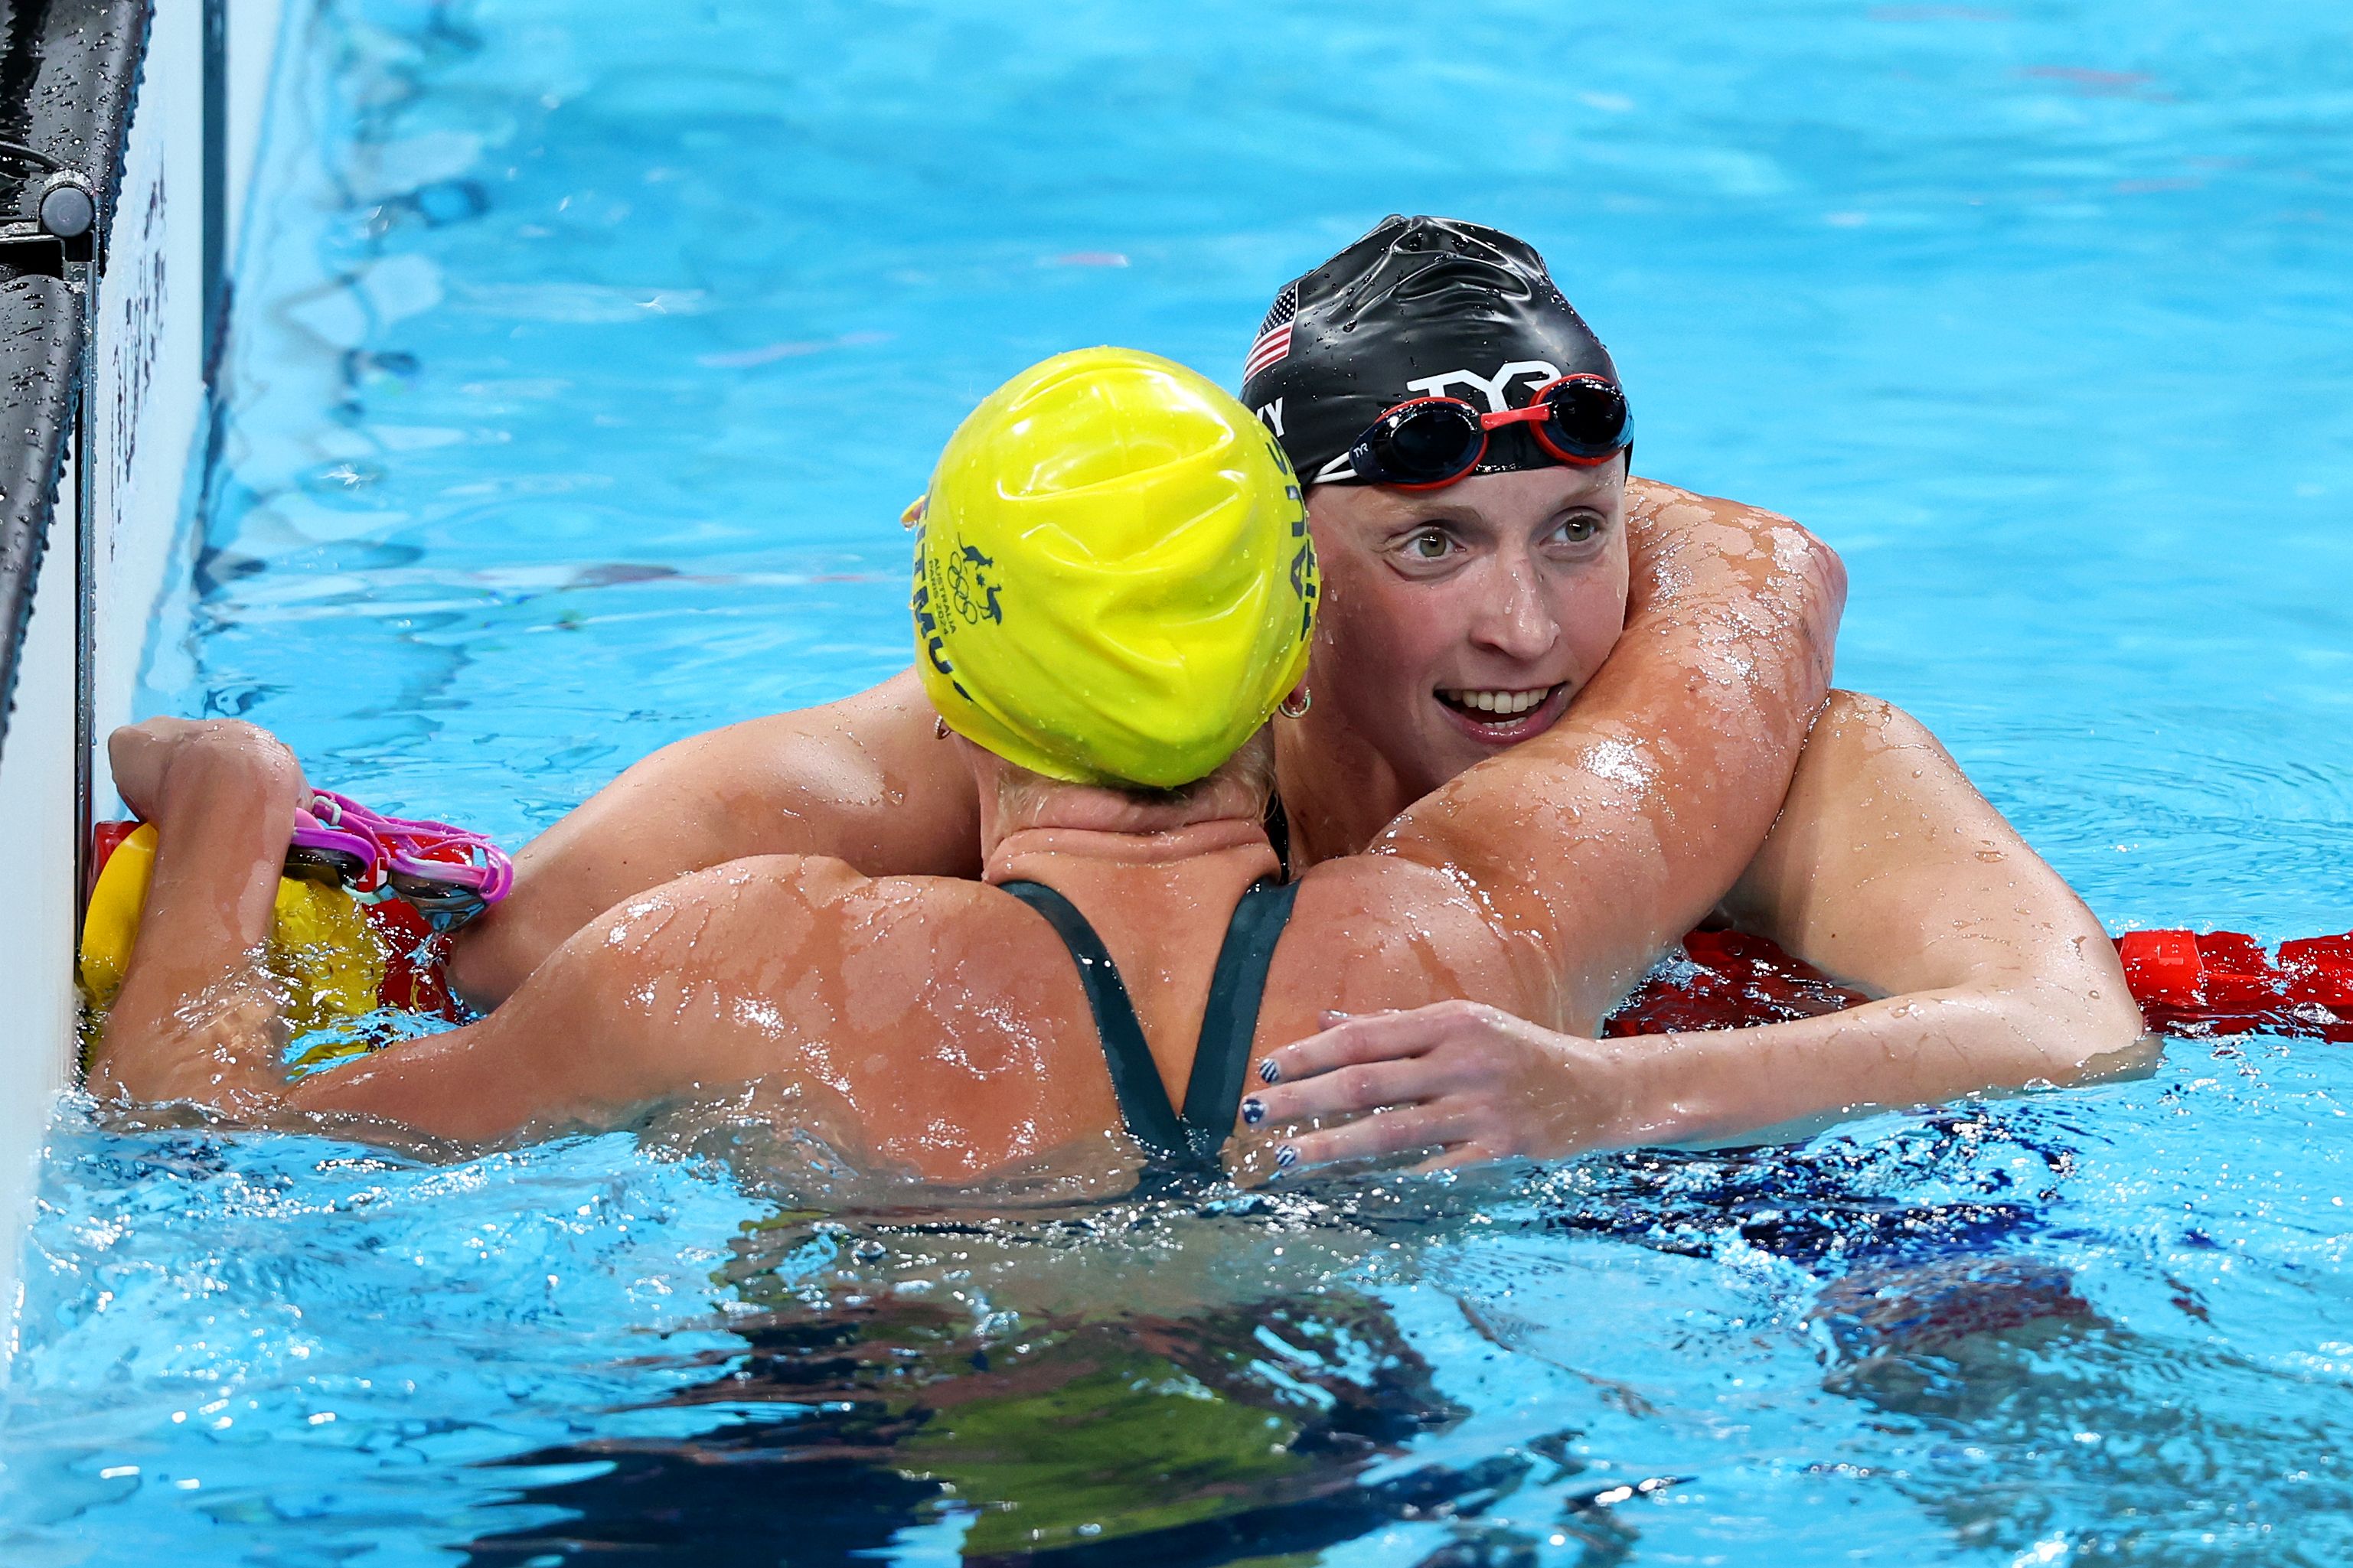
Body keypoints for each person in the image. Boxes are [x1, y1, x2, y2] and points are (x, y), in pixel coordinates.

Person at [91, 350, 2139, 1181]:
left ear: (945, 669)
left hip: (858, 1412)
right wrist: (1600, 1095)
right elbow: (1747, 624)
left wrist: (225, 809)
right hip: (1354, 1429)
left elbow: (215, 1129)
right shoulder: (1473, 933)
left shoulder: (742, 964)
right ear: (1291, 651)